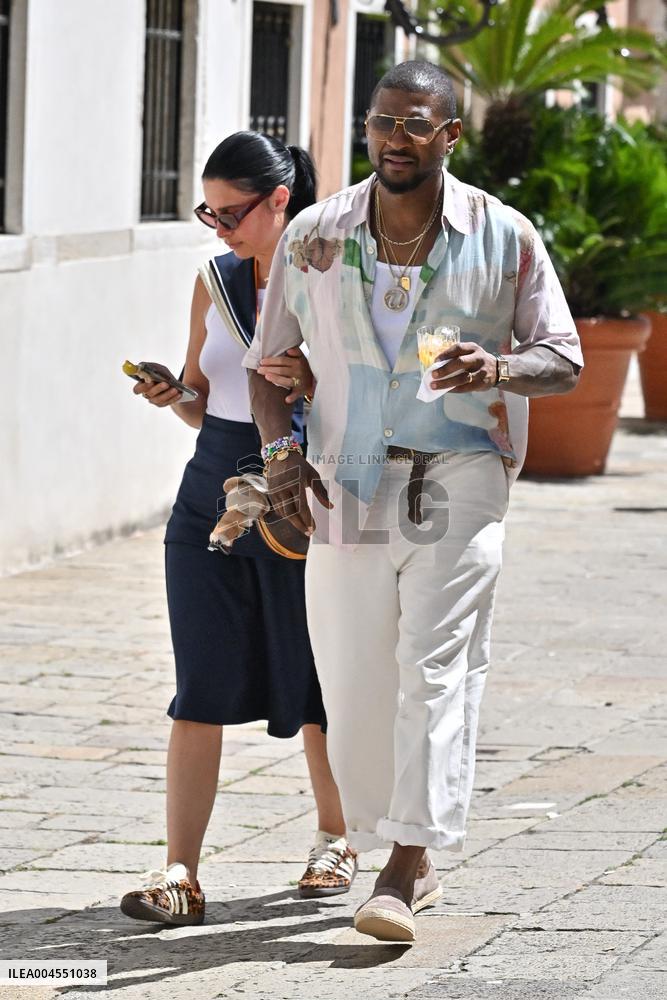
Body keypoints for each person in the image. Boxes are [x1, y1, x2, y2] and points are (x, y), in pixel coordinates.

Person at [245, 61, 584, 943]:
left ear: (449, 135)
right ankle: (393, 844)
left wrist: (499, 367)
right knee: (355, 679)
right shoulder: (315, 235)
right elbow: (269, 366)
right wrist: (280, 461)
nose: (394, 139)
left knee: (433, 668)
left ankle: (403, 863)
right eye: (380, 122)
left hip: (459, 477)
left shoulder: (502, 236)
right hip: (348, 479)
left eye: (414, 123)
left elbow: (563, 357)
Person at [119, 132, 357, 927]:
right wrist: (173, 394)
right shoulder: (214, 281)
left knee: (316, 678)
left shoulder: (333, 278)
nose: (218, 229)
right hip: (210, 496)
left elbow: (368, 394)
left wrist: (312, 383)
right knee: (199, 682)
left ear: (279, 200)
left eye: (231, 214)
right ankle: (179, 873)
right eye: (209, 213)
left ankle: (336, 837)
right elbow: (202, 397)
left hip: (301, 495)